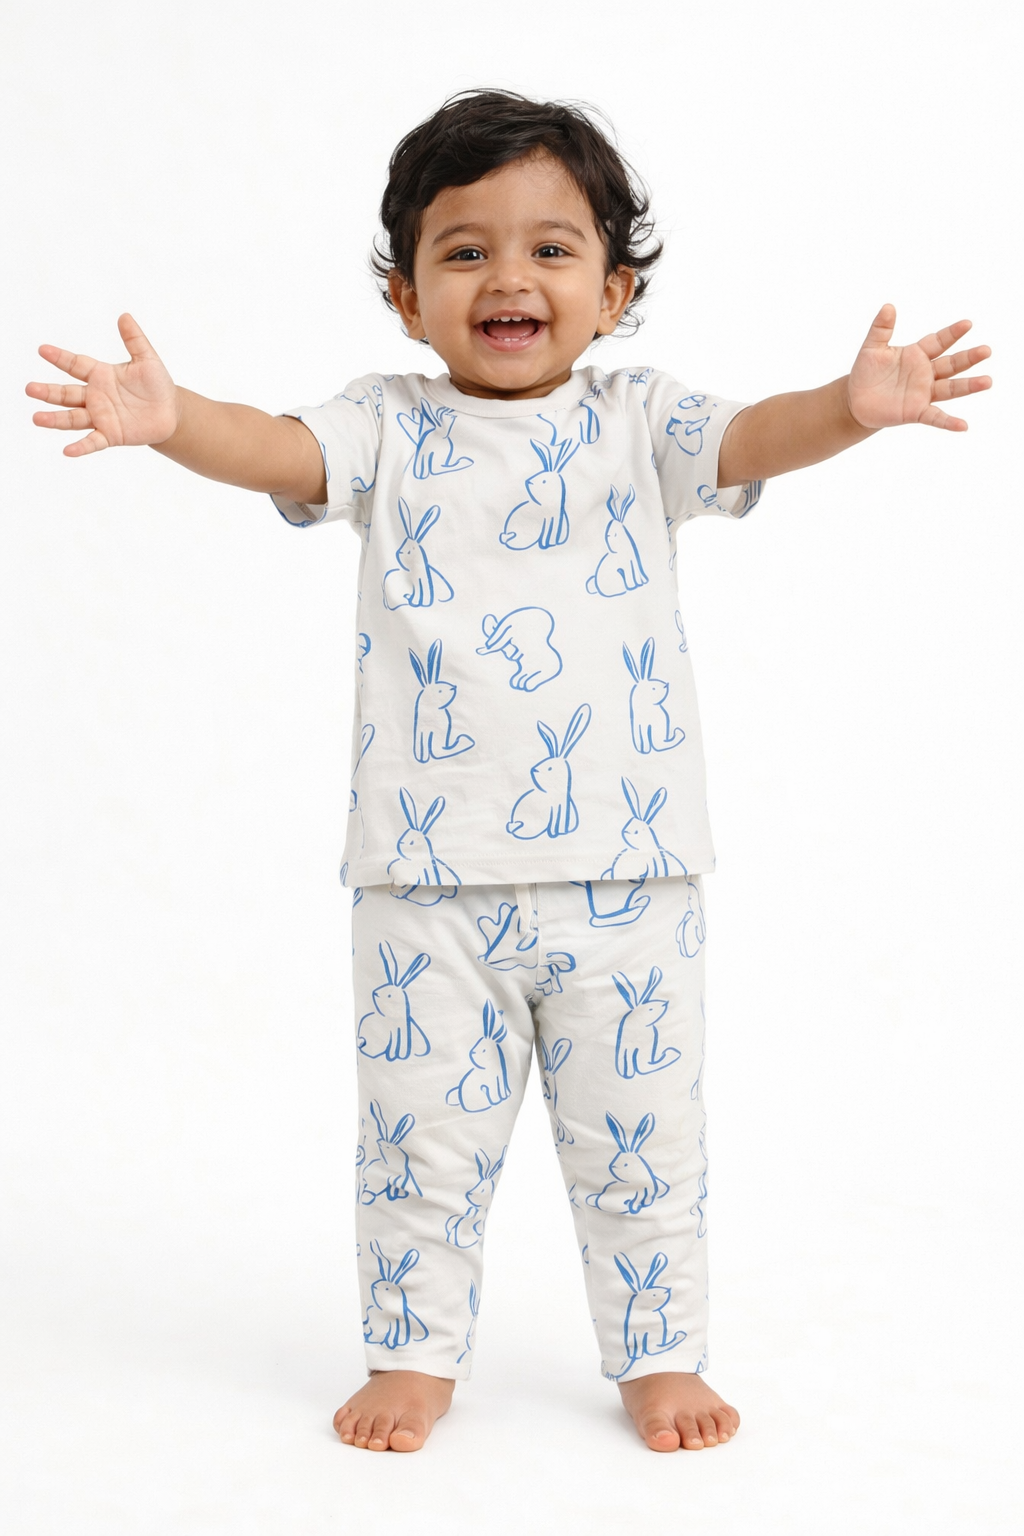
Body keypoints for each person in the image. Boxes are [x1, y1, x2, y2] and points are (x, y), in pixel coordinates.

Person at [26, 89, 991, 1457]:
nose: (508, 278)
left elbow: (748, 441)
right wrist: (177, 422)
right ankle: (411, 1353)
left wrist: (849, 407)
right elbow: (278, 450)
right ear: (405, 296)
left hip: (632, 874)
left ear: (615, 291)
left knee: (643, 1142)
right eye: (464, 251)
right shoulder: (385, 424)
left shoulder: (641, 418)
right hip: (425, 880)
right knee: (418, 1145)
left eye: (551, 248)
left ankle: (659, 1355)